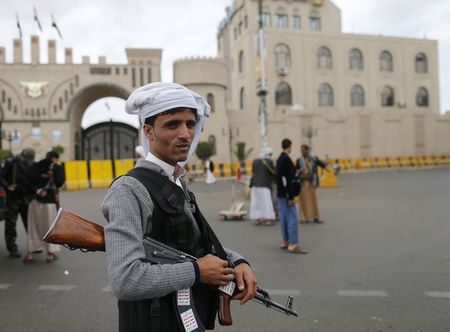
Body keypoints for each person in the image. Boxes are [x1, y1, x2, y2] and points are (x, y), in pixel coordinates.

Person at [101, 82, 257, 331]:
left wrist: (237, 262)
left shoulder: (175, 181)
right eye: (172, 124)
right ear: (148, 131)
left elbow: (188, 245)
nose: (185, 134)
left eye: (190, 124)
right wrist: (196, 271)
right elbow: (125, 280)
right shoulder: (129, 190)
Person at [23, 151, 65, 264]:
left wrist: (37, 190)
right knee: (50, 227)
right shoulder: (56, 167)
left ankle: (30, 254)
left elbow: (25, 181)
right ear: (55, 158)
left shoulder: (33, 167)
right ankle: (50, 254)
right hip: (49, 202)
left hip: (34, 201)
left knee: (33, 227)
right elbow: (60, 182)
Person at [1, 148, 35, 258]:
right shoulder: (11, 163)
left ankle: (33, 246)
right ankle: (12, 248)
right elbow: (1, 177)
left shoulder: (29, 164)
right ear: (23, 155)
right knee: (11, 224)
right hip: (13, 199)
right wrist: (7, 186)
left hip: (25, 198)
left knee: (30, 224)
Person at [276, 139, 308, 254]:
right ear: (289, 147)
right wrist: (290, 197)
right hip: (287, 194)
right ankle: (293, 243)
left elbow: (282, 178)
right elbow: (288, 180)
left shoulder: (279, 159)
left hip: (280, 193)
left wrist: (298, 171)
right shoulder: (287, 160)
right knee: (292, 219)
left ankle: (285, 241)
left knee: (284, 218)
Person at [296, 144, 328, 224]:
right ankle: (303, 218)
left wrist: (327, 168)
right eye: (301, 150)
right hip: (303, 183)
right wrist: (299, 170)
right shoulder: (299, 160)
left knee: (313, 200)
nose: (302, 152)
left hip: (312, 182)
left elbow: (322, 164)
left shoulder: (314, 159)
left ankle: (315, 217)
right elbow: (295, 172)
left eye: (303, 150)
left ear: (308, 150)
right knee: (303, 200)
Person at [250, 147, 276, 226]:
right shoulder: (269, 162)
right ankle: (268, 219)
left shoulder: (255, 161)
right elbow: (272, 173)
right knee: (266, 202)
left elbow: (253, 172)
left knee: (256, 202)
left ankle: (257, 219)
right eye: (270, 154)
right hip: (265, 185)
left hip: (255, 185)